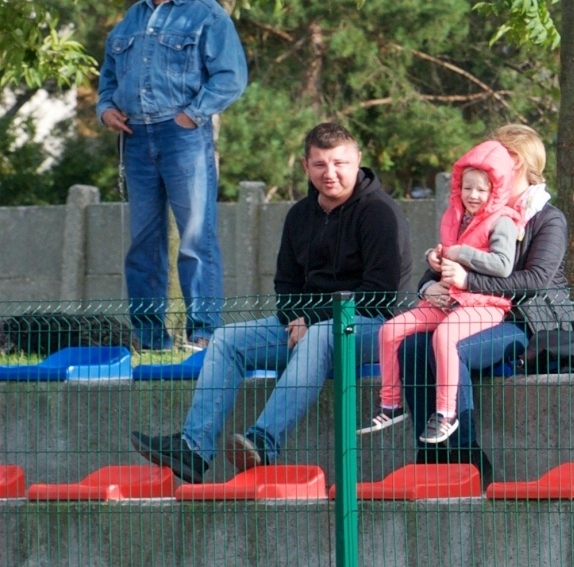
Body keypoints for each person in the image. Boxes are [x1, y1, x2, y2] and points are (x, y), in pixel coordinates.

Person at [131, 123, 409, 482]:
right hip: (307, 326)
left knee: (321, 335)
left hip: (371, 327)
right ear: (306, 167)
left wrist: (309, 318)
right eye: (320, 164)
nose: (331, 173)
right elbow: (286, 283)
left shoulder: (380, 213)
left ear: (357, 162)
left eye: (340, 163)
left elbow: (380, 294)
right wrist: (296, 315)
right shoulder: (299, 216)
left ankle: (262, 441)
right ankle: (193, 450)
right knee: (227, 340)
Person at [397, 124, 574, 485]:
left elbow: (535, 281)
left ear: (519, 166)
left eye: (499, 161)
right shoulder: (476, 212)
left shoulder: (547, 219)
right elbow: (449, 263)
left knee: (454, 345)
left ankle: (467, 457)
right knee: (412, 347)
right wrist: (429, 284)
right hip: (471, 311)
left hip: (524, 322)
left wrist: (469, 281)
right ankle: (430, 453)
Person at [97, 0, 248, 351]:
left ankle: (203, 335)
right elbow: (108, 76)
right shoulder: (132, 19)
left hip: (183, 136)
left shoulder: (207, 15)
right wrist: (105, 108)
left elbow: (231, 77)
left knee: (196, 237)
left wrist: (191, 116)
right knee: (143, 242)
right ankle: (149, 338)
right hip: (135, 138)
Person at [362, 140, 525, 445]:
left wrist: (459, 253)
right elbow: (448, 256)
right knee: (391, 330)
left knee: (446, 336)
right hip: (449, 299)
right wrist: (435, 259)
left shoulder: (502, 221)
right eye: (467, 188)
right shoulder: (455, 216)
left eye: (481, 190)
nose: (473, 195)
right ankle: (391, 404)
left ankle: (447, 413)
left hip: (485, 303)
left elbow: (503, 265)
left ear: (496, 191)